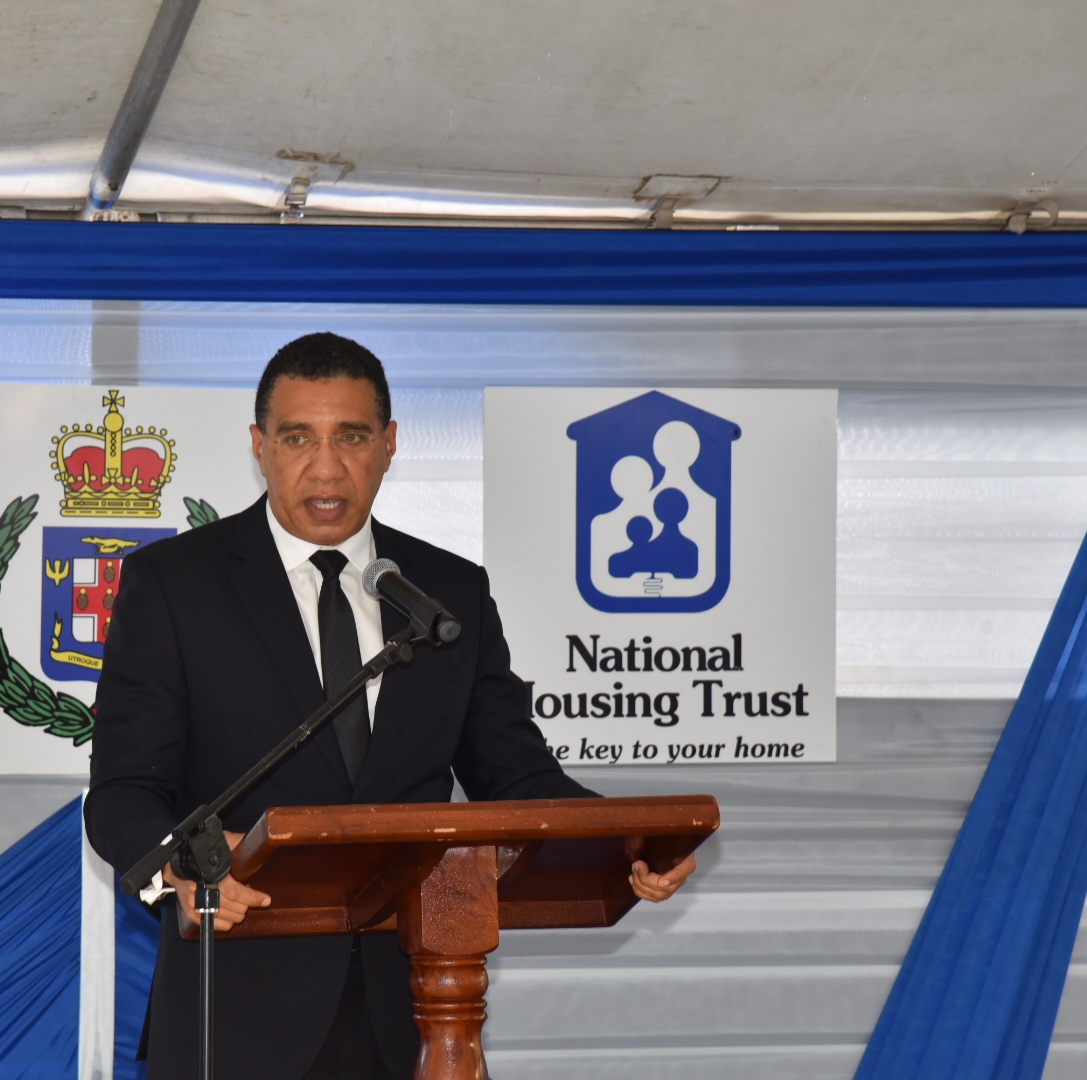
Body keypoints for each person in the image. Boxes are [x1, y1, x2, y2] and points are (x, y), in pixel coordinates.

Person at [84, 333, 696, 1080]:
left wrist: (623, 845)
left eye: (352, 436)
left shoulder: (445, 593)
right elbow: (121, 793)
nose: (326, 466)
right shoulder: (175, 586)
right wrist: (185, 866)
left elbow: (515, 771)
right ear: (260, 446)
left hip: (417, 1007)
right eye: (298, 438)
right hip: (236, 1009)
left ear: (389, 444)